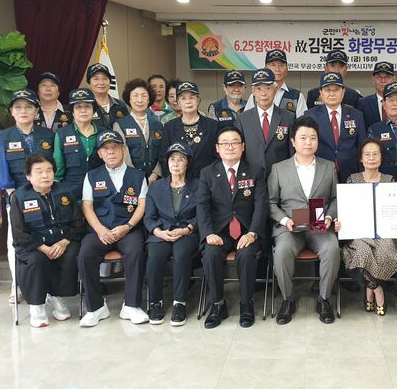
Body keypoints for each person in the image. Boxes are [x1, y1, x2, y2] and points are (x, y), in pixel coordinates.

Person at [268, 116, 340, 325]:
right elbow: (270, 202)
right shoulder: (279, 169)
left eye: (313, 138)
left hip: (319, 227)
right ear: (293, 141)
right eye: (303, 138)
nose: (308, 142)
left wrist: (329, 216)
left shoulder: (328, 166)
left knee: (332, 248)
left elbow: (336, 198)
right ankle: (288, 299)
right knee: (281, 251)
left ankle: (324, 299)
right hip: (290, 227)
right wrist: (284, 220)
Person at [197, 127, 268, 329]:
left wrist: (253, 232)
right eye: (225, 143)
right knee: (210, 254)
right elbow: (202, 206)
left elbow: (261, 205)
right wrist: (208, 233)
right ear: (217, 148)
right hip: (219, 232)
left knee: (245, 255)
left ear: (243, 146)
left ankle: (246, 303)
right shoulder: (208, 173)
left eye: (235, 142)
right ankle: (217, 304)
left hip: (247, 230)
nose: (230, 147)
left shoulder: (255, 171)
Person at [78, 130, 149, 327]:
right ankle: (95, 308)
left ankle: (132, 306)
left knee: (136, 252)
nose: (110, 152)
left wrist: (128, 226)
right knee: (85, 254)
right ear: (100, 154)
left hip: (128, 229)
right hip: (100, 230)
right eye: (106, 149)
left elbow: (142, 205)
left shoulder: (137, 175)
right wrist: (100, 230)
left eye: (115, 147)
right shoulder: (92, 176)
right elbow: (87, 207)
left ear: (123, 149)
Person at [0, 89, 56, 305]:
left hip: (46, 196)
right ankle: (17, 285)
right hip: (17, 198)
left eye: (28, 107)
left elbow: (54, 165)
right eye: (18, 107)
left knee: (47, 239)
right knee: (16, 242)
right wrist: (12, 195)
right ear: (11, 111)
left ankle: (49, 286)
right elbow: (2, 171)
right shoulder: (3, 137)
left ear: (36, 111)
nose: (23, 111)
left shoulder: (47, 135)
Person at [9, 155, 82, 327]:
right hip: (32, 245)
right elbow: (19, 233)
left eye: (49, 170)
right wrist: (42, 247)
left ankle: (56, 296)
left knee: (72, 253)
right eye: (39, 171)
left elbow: (77, 223)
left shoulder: (65, 191)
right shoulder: (19, 197)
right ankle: (37, 305)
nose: (45, 175)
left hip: (61, 241)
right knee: (36, 260)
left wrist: (64, 241)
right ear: (28, 176)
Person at [336, 138, 397, 316]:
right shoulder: (352, 180)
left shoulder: (389, 180)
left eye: (375, 154)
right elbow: (346, 209)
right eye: (367, 154)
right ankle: (377, 289)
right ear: (361, 158)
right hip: (358, 233)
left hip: (383, 232)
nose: (371, 158)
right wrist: (341, 222)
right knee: (362, 251)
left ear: (381, 157)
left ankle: (369, 289)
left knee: (386, 250)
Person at [143, 143, 200, 326]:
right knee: (155, 256)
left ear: (187, 163)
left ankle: (179, 303)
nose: (176, 163)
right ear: (167, 163)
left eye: (181, 159)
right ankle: (155, 302)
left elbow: (203, 215)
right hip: (161, 233)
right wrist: (158, 232)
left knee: (182, 255)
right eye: (172, 159)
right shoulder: (156, 187)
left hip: (187, 233)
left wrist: (187, 228)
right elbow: (149, 217)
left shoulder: (198, 185)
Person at [304, 72, 367, 182]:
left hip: (351, 174)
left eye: (336, 90)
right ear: (321, 93)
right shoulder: (310, 116)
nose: (332, 94)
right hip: (320, 173)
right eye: (327, 90)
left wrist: (362, 174)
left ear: (343, 92)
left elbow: (362, 147)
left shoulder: (356, 115)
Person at [235, 68, 294, 173]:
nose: (263, 93)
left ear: (275, 90)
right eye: (258, 89)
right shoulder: (242, 119)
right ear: (253, 92)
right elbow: (239, 151)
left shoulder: (288, 117)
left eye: (268, 88)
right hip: (252, 176)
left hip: (281, 175)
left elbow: (292, 151)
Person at [53, 88, 107, 200]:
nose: (83, 110)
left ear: (93, 110)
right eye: (78, 107)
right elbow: (59, 167)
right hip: (71, 192)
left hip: (100, 189)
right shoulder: (62, 134)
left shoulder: (104, 133)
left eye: (87, 106)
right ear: (72, 111)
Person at [160, 81, 218, 178]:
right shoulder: (169, 127)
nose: (188, 102)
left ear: (198, 100)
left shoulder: (213, 126)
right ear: (178, 102)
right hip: (179, 181)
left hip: (206, 181)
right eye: (183, 98)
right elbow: (163, 158)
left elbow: (218, 157)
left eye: (192, 97)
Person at [113, 78, 164, 183]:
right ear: (129, 99)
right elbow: (121, 153)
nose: (140, 100)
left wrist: (155, 174)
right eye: (135, 96)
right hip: (130, 180)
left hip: (155, 181)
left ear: (149, 100)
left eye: (144, 96)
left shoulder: (158, 124)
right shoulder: (120, 125)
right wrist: (136, 177)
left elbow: (162, 151)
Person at [245, 49, 307, 117]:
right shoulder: (255, 96)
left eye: (281, 65)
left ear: (287, 70)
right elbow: (247, 119)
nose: (277, 69)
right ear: (265, 68)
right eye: (273, 65)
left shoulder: (297, 96)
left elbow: (302, 122)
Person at [356, 61, 397, 129]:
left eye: (387, 77)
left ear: (393, 79)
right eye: (379, 77)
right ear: (373, 79)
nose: (383, 81)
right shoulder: (363, 103)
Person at [86, 63, 129, 130]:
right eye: (96, 79)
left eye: (105, 78)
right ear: (89, 82)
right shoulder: (85, 107)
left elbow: (128, 128)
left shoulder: (120, 105)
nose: (101, 83)